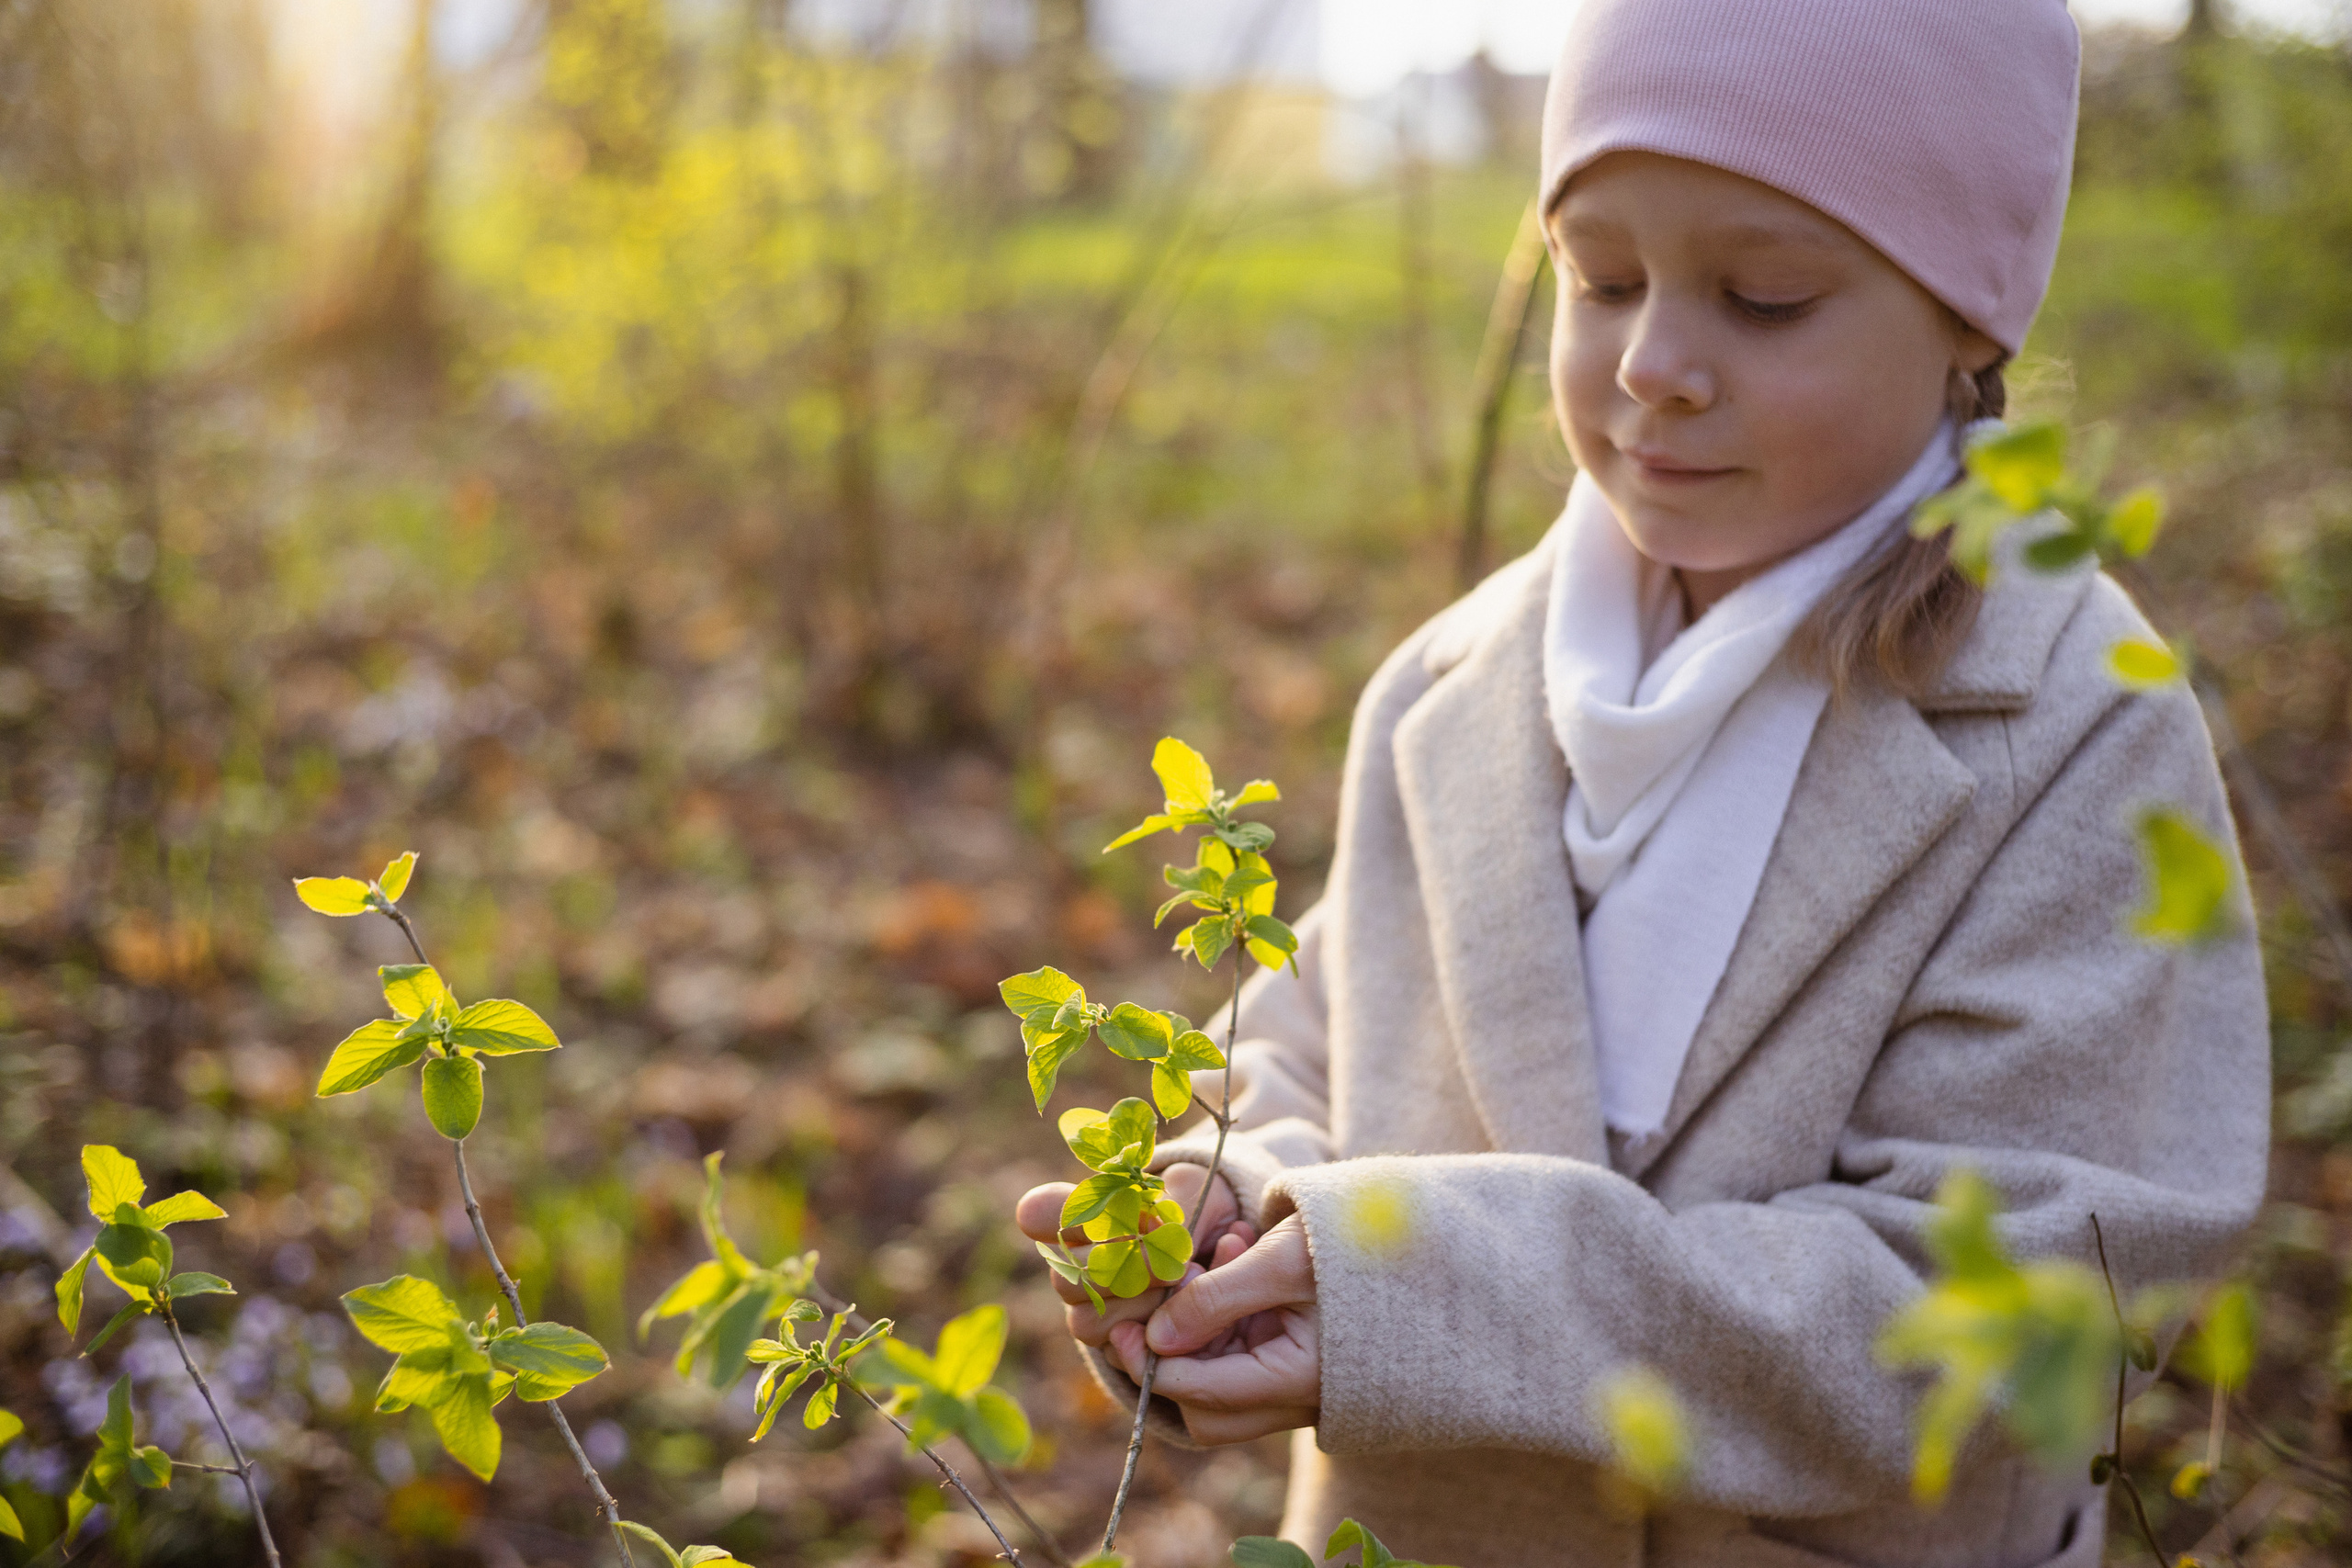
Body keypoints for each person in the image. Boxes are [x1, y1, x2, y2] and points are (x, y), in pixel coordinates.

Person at [1014, 0, 2270, 1562]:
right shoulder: (1453, 687)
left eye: (1766, 296)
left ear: (1969, 320)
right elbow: (1313, 1045)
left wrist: (1425, 1294)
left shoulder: (2077, 728)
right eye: (1599, 279)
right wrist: (1246, 1209)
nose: (1656, 363)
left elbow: (2017, 1296)